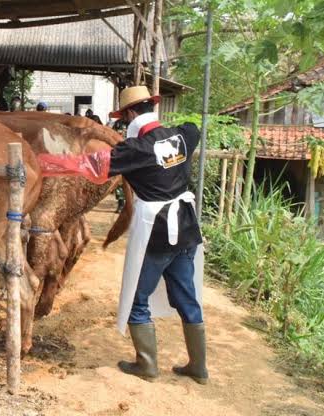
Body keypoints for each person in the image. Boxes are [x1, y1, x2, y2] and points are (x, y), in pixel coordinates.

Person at [38, 85, 207, 384]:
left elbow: (87, 166)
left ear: (130, 114)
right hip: (187, 229)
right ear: (152, 107)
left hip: (157, 232)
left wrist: (41, 163)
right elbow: (194, 128)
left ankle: (147, 365)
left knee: (136, 300)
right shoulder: (184, 134)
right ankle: (198, 367)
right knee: (187, 297)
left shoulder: (136, 151)